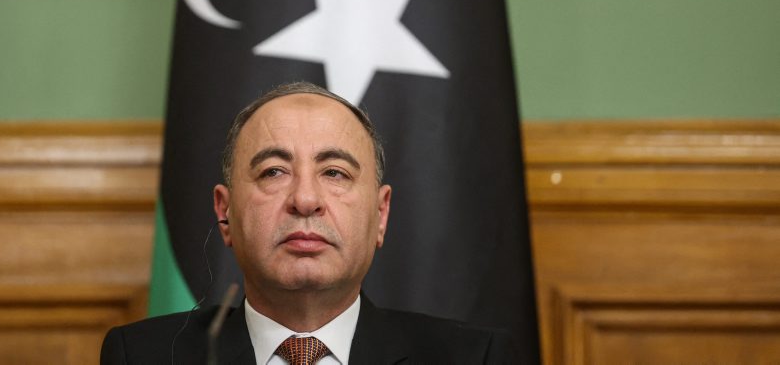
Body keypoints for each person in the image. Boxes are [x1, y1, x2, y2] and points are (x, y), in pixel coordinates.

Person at [101, 81, 517, 364]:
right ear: (225, 212)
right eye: (273, 172)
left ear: (381, 214)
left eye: (334, 172)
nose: (304, 200)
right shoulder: (142, 356)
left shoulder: (475, 357)